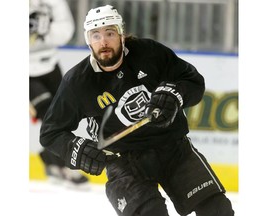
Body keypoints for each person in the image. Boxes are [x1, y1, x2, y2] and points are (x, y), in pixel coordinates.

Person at [40, 4, 235, 215]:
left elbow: (194, 82)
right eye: (95, 35)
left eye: (110, 33)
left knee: (217, 210)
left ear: (121, 35)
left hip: (174, 149)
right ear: (88, 41)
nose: (103, 41)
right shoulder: (77, 81)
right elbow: (51, 132)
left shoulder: (150, 53)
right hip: (123, 163)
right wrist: (76, 149)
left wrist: (176, 94)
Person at [29, 0, 89, 186]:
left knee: (63, 115)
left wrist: (45, 32)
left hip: (51, 64)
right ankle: (67, 164)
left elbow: (66, 30)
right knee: (49, 113)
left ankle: (49, 158)